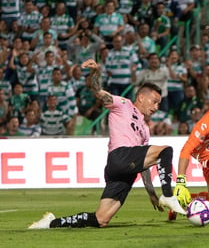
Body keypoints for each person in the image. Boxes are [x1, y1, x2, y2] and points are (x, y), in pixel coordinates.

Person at [28, 60, 186, 229]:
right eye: (154, 101)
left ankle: (51, 223)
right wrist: (95, 73)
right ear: (141, 97)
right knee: (166, 150)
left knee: (100, 219)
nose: (156, 107)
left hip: (126, 171)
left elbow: (145, 163)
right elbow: (98, 92)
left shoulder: (145, 129)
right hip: (120, 156)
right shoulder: (123, 104)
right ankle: (169, 195)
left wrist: (151, 193)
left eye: (159, 104)